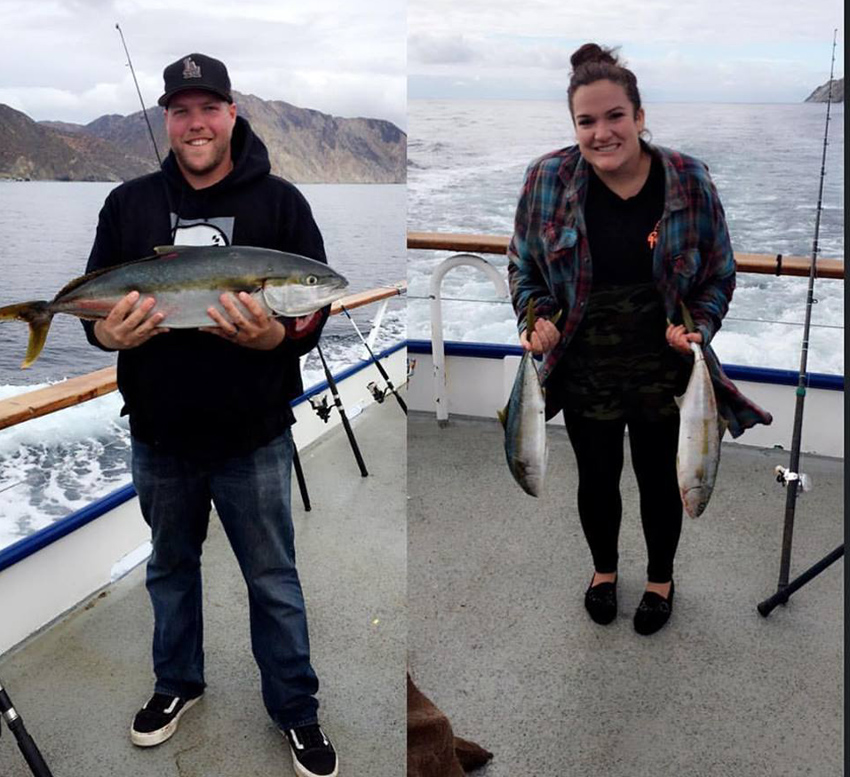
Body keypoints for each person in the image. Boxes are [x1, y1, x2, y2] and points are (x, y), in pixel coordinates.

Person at [83, 53, 338, 777]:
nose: (195, 123)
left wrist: (275, 339)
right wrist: (106, 336)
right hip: (159, 433)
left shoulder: (282, 204)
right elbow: (97, 307)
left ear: (231, 113)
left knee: (273, 579)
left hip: (252, 434)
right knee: (169, 569)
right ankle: (177, 683)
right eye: (181, 110)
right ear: (167, 118)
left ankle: (296, 708)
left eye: (208, 108)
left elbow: (312, 306)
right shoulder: (128, 204)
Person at [507, 43, 772, 636]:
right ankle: (603, 571)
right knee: (597, 476)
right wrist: (535, 316)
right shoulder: (546, 178)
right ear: (574, 125)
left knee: (659, 477)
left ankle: (659, 580)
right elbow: (523, 267)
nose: (601, 133)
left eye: (615, 116)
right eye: (586, 121)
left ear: (640, 116)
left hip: (664, 361)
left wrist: (700, 326)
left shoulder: (689, 179)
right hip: (584, 361)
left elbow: (719, 274)